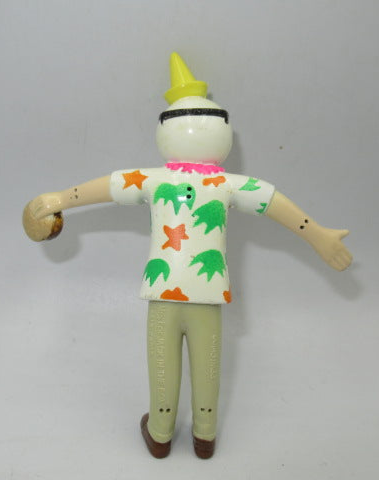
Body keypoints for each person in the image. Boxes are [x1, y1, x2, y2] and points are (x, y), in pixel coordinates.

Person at [22, 53, 352, 459]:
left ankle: (160, 433)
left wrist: (60, 198)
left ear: (165, 129)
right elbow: (273, 201)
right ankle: (205, 435)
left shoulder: (151, 179)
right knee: (207, 363)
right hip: (208, 291)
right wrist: (317, 234)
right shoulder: (230, 184)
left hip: (164, 289)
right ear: (223, 131)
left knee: (162, 363)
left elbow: (105, 188)